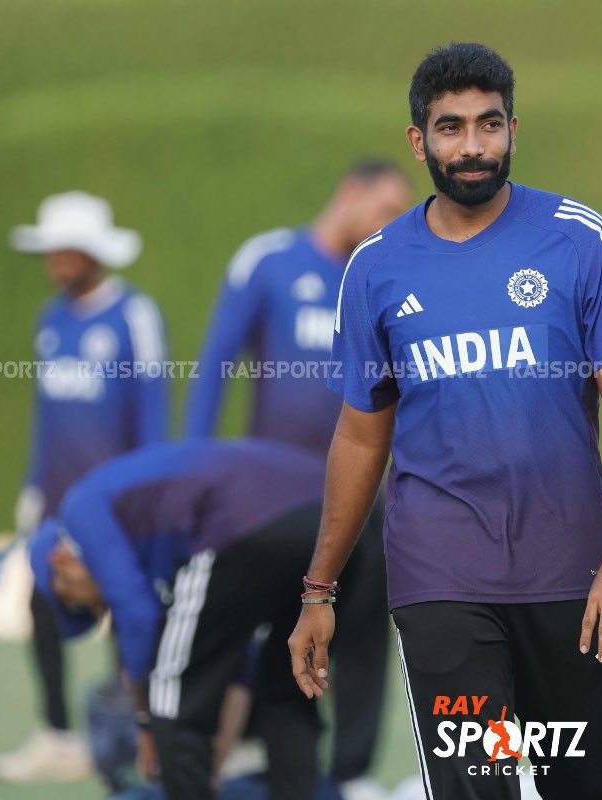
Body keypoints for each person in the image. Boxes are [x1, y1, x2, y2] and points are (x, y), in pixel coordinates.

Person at [287, 42, 602, 800]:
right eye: (451, 127)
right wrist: (319, 590)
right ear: (418, 140)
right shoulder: (376, 268)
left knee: (580, 790)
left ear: (513, 130)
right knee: (480, 784)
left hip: (572, 582)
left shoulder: (579, 238)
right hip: (443, 583)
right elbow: (362, 436)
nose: (471, 146)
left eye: (488, 125)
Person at [184, 159, 412, 800]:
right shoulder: (269, 260)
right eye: (387, 206)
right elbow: (214, 366)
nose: (393, 221)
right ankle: (240, 749)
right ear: (349, 193)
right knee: (259, 624)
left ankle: (352, 773)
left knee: (366, 628)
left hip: (363, 491)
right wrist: (198, 470)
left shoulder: (382, 277)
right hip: (272, 500)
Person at [29, 439, 330, 800]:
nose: (98, 612)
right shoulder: (158, 540)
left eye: (77, 605)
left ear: (61, 562)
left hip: (247, 520)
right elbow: (238, 660)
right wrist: (212, 768)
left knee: (172, 692)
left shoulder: (80, 509)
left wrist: (146, 723)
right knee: (287, 690)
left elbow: (137, 618)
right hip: (329, 512)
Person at [0, 190, 170, 783]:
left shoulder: (134, 315)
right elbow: (48, 416)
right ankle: (57, 734)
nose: (55, 261)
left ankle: (136, 734)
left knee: (128, 614)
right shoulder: (51, 320)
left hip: (119, 508)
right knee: (41, 607)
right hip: (58, 506)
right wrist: (33, 487)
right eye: (51, 251)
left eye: (65, 250)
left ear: (92, 252)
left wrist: (147, 495)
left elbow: (152, 410)